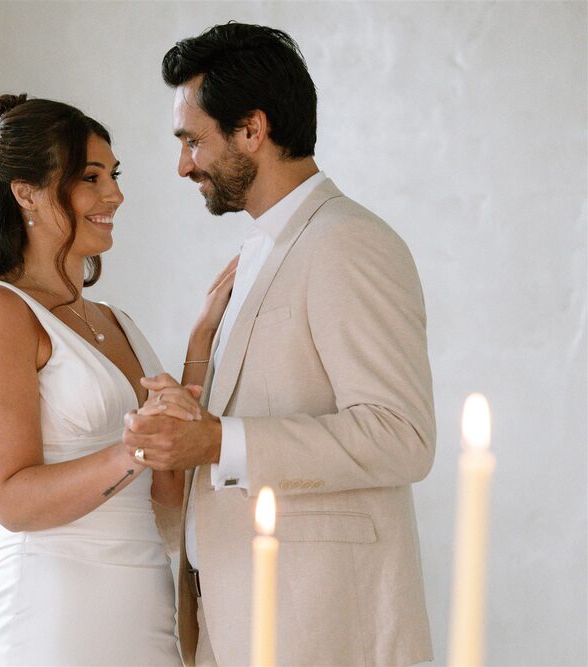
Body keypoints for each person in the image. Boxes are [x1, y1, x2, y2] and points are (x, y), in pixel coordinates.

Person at [123, 23, 436, 666]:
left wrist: (217, 440)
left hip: (322, 629)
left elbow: (402, 434)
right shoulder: (261, 251)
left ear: (252, 130)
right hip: (236, 623)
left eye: (191, 140)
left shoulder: (348, 242)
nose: (183, 164)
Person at [0, 94, 231, 666]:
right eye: (90, 177)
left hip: (145, 608)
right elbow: (10, 499)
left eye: (114, 175)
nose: (115, 195)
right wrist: (132, 449)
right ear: (26, 192)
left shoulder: (118, 322)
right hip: (54, 613)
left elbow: (168, 491)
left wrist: (202, 342)